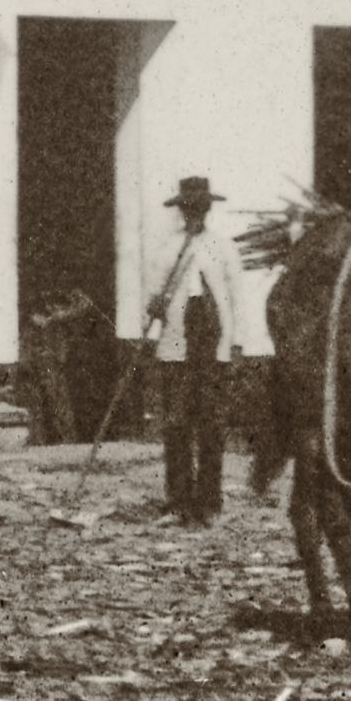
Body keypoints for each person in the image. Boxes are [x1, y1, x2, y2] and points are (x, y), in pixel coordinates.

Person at [140, 175, 251, 519]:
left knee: (211, 424)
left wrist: (236, 344)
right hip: (175, 345)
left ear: (207, 210)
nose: (194, 214)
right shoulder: (167, 249)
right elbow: (151, 296)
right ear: (182, 211)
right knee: (176, 424)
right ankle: (179, 498)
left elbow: (237, 299)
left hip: (213, 345)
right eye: (189, 208)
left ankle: (209, 500)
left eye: (200, 208)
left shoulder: (222, 247)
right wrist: (153, 306)